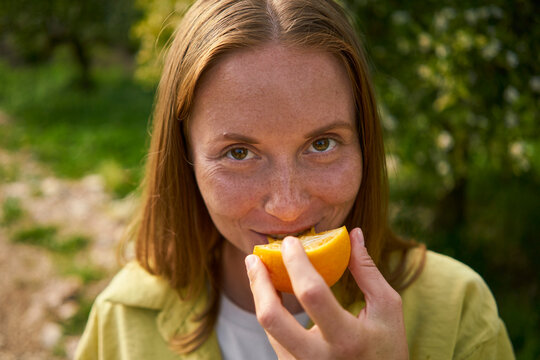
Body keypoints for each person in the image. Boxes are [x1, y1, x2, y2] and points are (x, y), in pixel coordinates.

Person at [75, 0, 515, 359]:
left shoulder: (458, 311)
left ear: (365, 143)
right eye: (239, 153)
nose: (287, 206)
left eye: (322, 144)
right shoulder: (123, 322)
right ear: (184, 160)